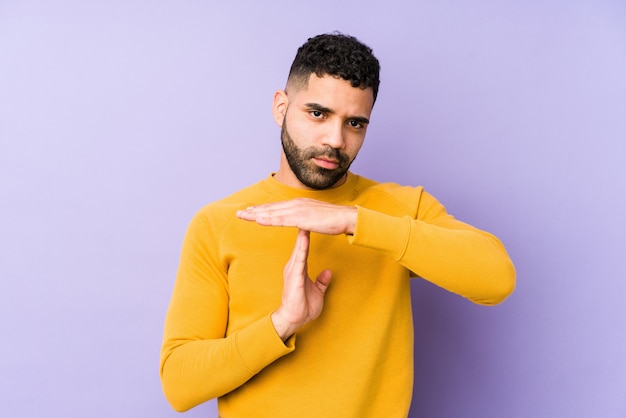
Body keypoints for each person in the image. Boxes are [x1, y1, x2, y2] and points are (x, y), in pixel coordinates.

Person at [160, 32, 516, 418]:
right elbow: (180, 385)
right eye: (318, 113)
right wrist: (282, 323)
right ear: (281, 107)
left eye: (355, 123)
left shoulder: (396, 209)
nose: (335, 139)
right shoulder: (221, 222)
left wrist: (353, 220)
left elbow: (496, 280)